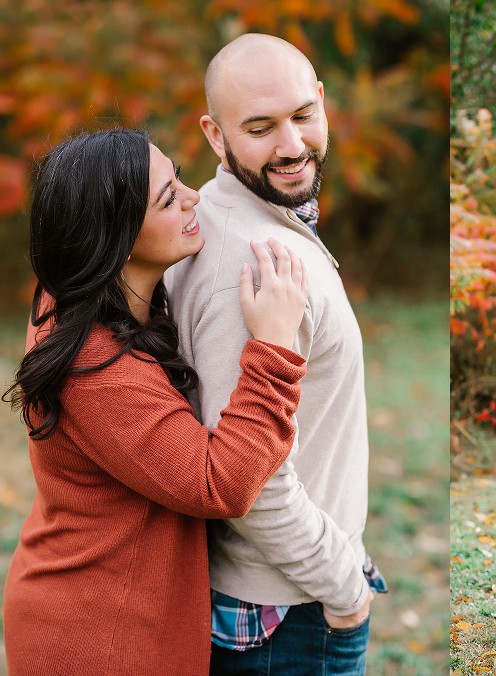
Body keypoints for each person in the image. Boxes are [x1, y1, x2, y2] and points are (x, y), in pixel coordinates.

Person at [2, 128, 311, 675]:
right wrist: (274, 347)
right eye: (169, 198)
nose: (193, 197)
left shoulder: (76, 295)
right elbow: (220, 483)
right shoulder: (94, 368)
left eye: (178, 180)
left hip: (101, 606)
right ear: (115, 237)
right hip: (101, 639)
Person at [164, 34, 383, 675]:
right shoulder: (248, 260)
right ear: (214, 134)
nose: (290, 146)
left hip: (291, 591)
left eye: (302, 116)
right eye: (259, 128)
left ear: (321, 100)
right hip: (288, 615)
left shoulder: (244, 218)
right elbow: (247, 478)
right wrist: (345, 588)